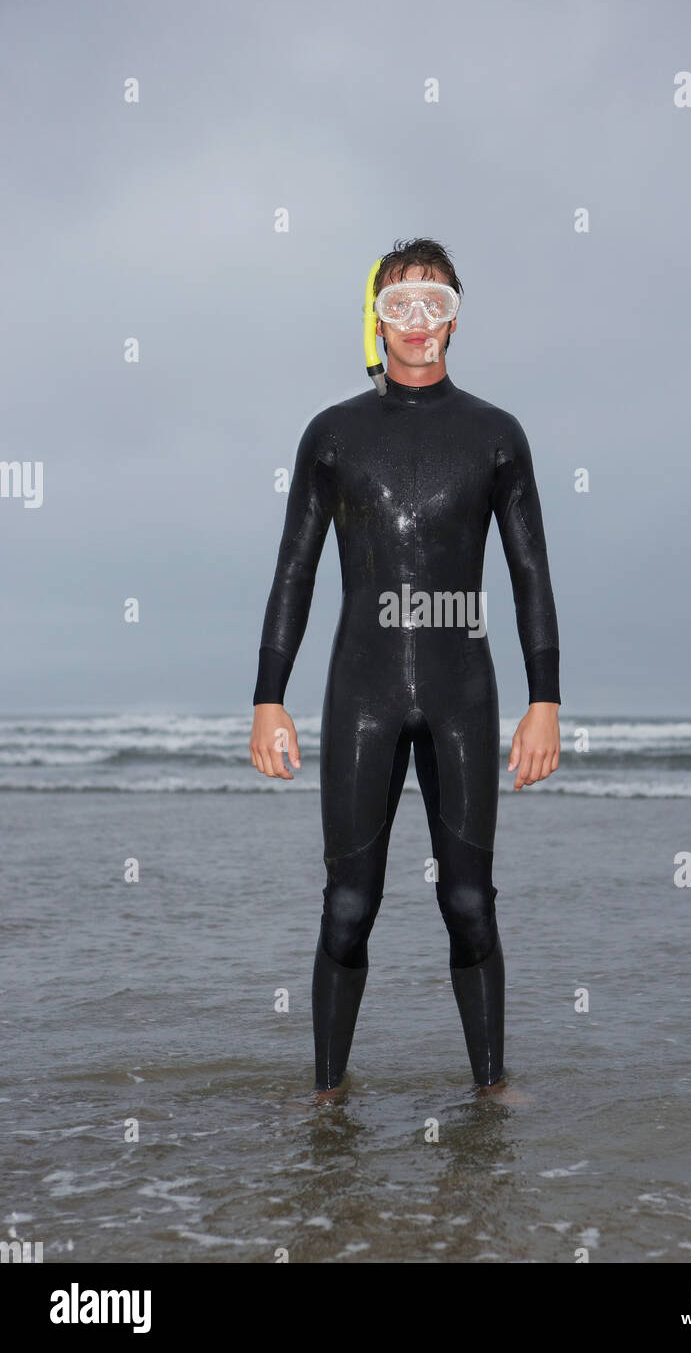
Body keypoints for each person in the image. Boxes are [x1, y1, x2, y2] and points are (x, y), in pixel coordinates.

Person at [249, 237, 561, 1097]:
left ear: (456, 319)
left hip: (464, 691)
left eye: (435, 305)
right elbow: (294, 570)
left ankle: (493, 1089)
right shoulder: (333, 436)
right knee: (349, 909)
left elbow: (531, 570)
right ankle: (326, 1096)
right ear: (374, 318)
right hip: (363, 690)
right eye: (400, 305)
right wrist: (267, 697)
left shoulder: (497, 435)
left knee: (468, 904)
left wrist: (546, 700)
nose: (417, 323)